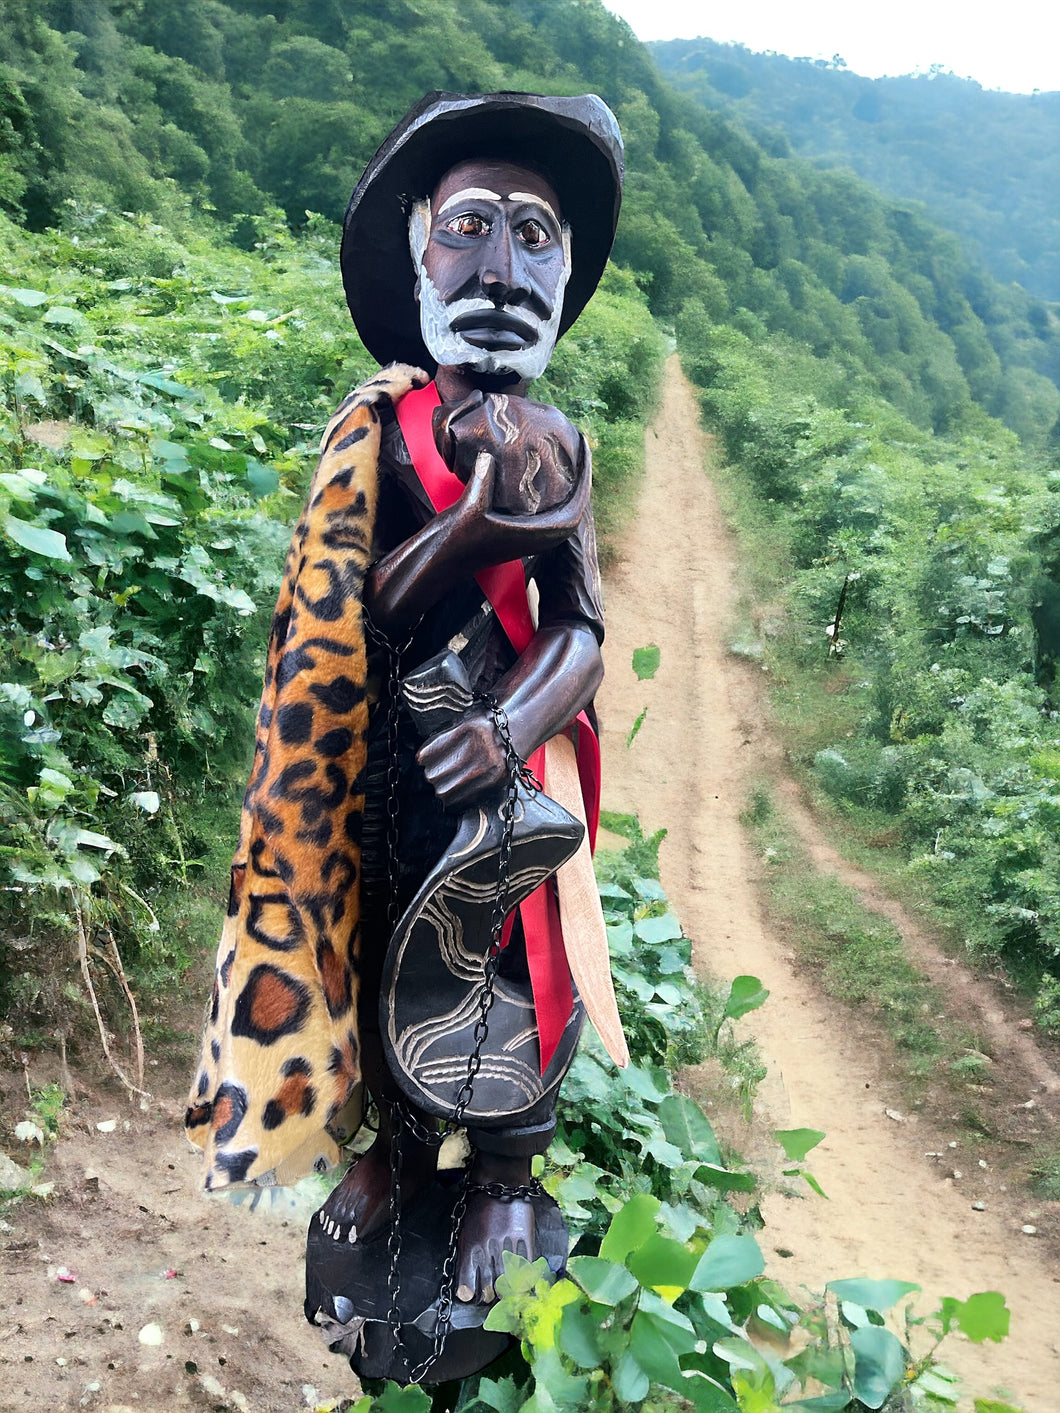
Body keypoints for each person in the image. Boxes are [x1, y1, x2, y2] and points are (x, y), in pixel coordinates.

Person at [186, 90, 624, 1372]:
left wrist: (507, 727)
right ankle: (384, 1148)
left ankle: (502, 1169)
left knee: (511, 959)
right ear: (420, 246)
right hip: (388, 760)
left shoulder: (560, 443)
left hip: (502, 767)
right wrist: (467, 535)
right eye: (473, 227)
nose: (501, 270)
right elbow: (362, 606)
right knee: (376, 936)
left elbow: (583, 630)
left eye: (534, 237)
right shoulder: (380, 433)